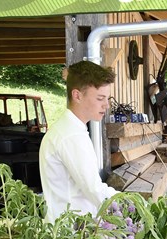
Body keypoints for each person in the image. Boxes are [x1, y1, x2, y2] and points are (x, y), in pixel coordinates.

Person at [39, 61, 118, 223]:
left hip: (71, 230)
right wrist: (137, 206)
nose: (106, 105)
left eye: (107, 98)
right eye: (100, 98)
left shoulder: (70, 130)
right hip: (71, 236)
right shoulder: (71, 136)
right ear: (77, 95)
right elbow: (94, 190)